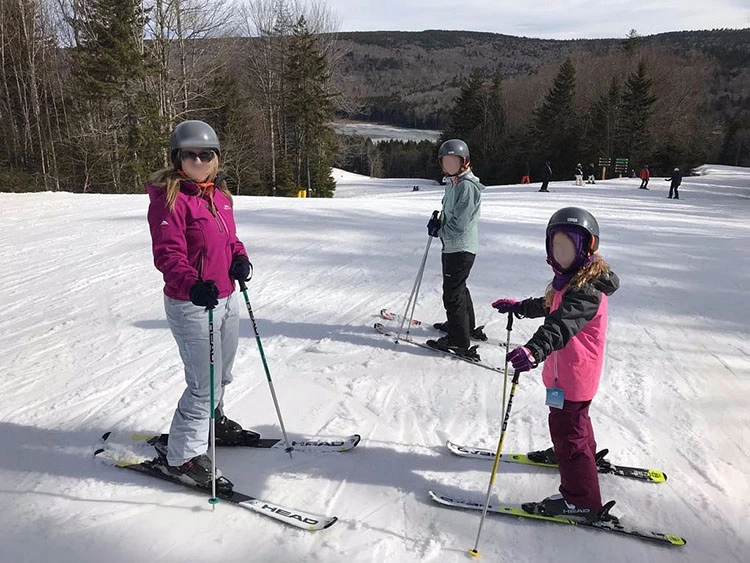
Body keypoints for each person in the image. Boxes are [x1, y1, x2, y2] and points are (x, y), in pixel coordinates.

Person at [491, 207, 620, 522]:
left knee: (568, 432)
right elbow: (551, 307)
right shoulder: (570, 280)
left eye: (569, 246)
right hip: (567, 377)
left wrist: (534, 350)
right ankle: (581, 456)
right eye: (555, 245)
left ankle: (581, 500)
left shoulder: (587, 290)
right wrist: (521, 307)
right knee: (573, 425)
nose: (560, 253)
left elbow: (560, 325)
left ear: (587, 248)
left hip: (573, 377)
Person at [146, 120, 252, 487]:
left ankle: (211, 424)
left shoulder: (219, 195)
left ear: (216, 158)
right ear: (177, 158)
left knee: (220, 374)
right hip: (192, 303)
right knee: (203, 385)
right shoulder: (170, 200)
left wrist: (239, 257)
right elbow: (168, 255)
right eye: (190, 154)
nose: (198, 160)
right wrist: (192, 285)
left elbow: (229, 239)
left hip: (225, 296)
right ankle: (183, 458)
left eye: (206, 154)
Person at [427, 139, 486, 360]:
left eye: (454, 161)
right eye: (446, 162)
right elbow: (449, 214)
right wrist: (438, 220)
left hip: (460, 248)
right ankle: (464, 326)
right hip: (454, 247)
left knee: (452, 293)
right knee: (458, 287)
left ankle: (458, 340)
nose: (450, 165)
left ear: (465, 162)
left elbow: (459, 224)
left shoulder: (467, 187)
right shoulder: (453, 183)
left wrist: (439, 230)